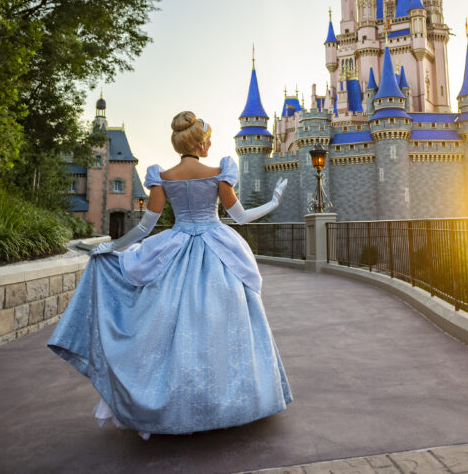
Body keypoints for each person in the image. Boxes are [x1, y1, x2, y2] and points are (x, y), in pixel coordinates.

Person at [48, 111, 292, 439]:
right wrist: (274, 202)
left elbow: (145, 227)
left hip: (175, 250)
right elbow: (242, 217)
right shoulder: (219, 173)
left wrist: (113, 248)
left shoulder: (162, 176)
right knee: (224, 327)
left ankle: (174, 403)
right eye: (207, 139)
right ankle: (228, 401)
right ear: (199, 142)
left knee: (170, 327)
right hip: (217, 251)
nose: (209, 144)